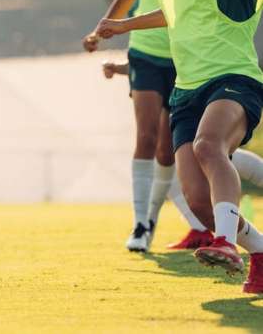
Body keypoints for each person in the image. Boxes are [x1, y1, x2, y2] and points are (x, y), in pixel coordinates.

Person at [97, 0, 263, 294]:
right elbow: (173, 15)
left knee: (210, 146)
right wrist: (123, 26)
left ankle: (226, 243)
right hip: (186, 88)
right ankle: (258, 252)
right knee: (199, 202)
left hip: (234, 79)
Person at [83, 0, 178, 252]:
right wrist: (98, 31)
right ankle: (140, 225)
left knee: (168, 150)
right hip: (145, 55)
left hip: (184, 57)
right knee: (146, 136)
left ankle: (152, 218)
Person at [103, 59, 263, 248]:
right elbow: (164, 39)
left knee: (207, 149)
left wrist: (118, 28)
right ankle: (255, 246)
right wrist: (113, 31)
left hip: (223, 78)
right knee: (196, 190)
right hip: (182, 88)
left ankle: (222, 242)